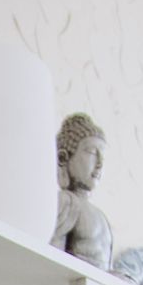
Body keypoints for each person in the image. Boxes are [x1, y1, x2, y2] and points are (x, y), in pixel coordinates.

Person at [51, 112, 113, 269]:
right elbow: (52, 257)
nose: (99, 164)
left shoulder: (102, 217)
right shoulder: (67, 202)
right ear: (63, 158)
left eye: (102, 156)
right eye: (92, 152)